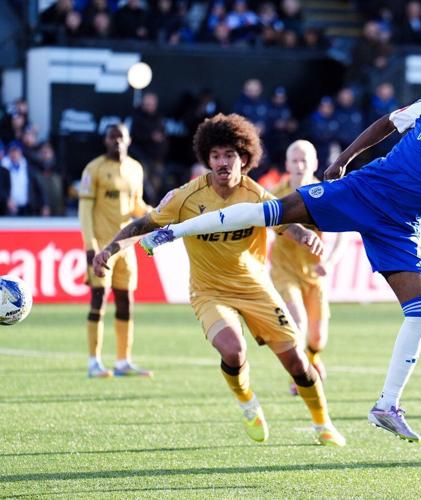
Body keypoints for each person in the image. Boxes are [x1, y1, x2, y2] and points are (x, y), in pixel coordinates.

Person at [138, 70, 421, 443]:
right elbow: (386, 124)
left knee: (419, 313)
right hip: (360, 191)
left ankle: (387, 406)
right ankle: (173, 232)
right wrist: (344, 158)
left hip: (398, 227)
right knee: (270, 211)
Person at [92, 114, 346, 447]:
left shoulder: (256, 195)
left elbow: (286, 221)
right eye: (215, 156)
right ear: (207, 159)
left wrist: (304, 237)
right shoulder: (185, 197)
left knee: (297, 362)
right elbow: (143, 225)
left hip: (255, 288)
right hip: (209, 290)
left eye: (229, 155)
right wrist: (109, 250)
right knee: (233, 350)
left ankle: (322, 423)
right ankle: (247, 403)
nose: (222, 162)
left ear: (244, 158)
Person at [270, 140, 347, 396]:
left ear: (315, 163)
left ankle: (312, 358)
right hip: (284, 272)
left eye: (305, 160)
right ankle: (299, 377)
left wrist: (330, 261)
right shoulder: (276, 195)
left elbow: (342, 233)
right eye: (295, 160)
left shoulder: (324, 192)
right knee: (298, 321)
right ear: (287, 164)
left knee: (317, 339)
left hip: (314, 274)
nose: (300, 165)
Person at [78, 123, 153, 379]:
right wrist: (90, 246)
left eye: (121, 138)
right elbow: (85, 211)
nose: (117, 142)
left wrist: (155, 214)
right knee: (98, 298)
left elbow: (136, 206)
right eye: (113, 138)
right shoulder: (94, 169)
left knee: (126, 301)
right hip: (101, 246)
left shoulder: (135, 169)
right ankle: (93, 362)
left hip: (126, 246)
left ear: (129, 140)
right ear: (105, 141)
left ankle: (123, 361)